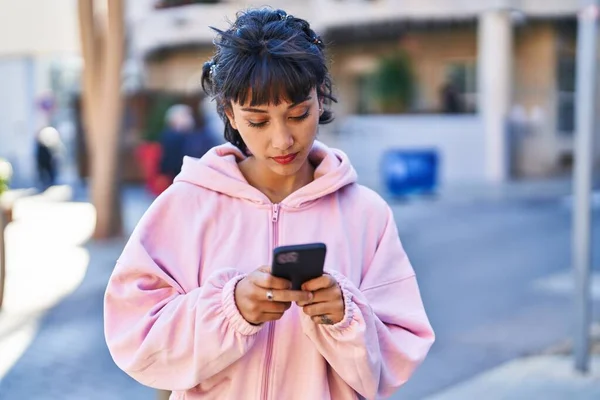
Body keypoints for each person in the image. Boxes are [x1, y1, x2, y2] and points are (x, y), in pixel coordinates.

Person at [104, 7, 434, 400]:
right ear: (229, 113)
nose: (282, 140)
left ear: (320, 96)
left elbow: (398, 358)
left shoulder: (368, 214)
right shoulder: (185, 205)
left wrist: (345, 315)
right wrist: (229, 310)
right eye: (258, 121)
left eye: (298, 114)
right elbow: (134, 335)